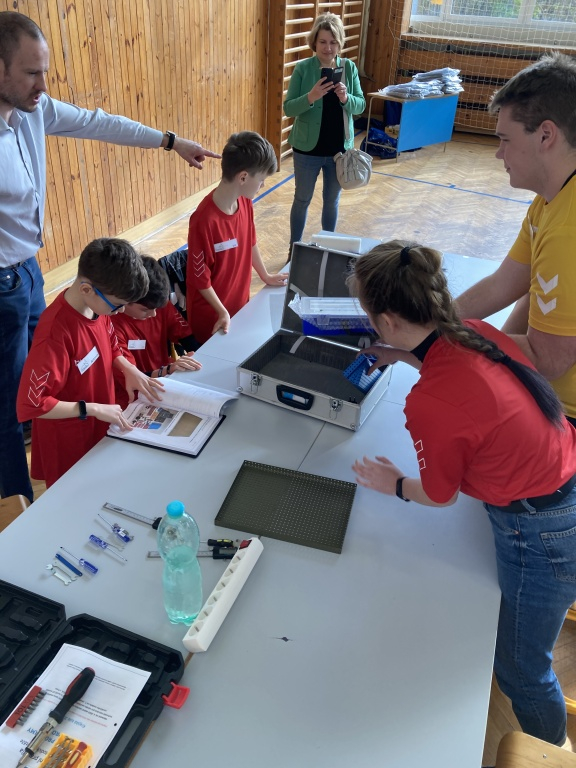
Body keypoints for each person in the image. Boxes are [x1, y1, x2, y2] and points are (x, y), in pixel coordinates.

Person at [349, 240, 576, 748]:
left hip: (543, 532)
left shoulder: (428, 403)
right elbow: (457, 375)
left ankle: (553, 752)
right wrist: (400, 354)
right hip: (561, 481)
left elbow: (439, 495)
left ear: (388, 321)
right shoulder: (473, 330)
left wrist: (394, 484)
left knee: (521, 669)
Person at [0, 11, 219, 502]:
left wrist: (170, 142)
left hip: (28, 270)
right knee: (11, 402)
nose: (43, 86)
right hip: (2, 283)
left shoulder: (34, 109)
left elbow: (98, 123)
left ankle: (48, 435)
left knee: (47, 371)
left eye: (45, 71)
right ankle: (18, 497)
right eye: (32, 73)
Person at [454, 52, 576, 427]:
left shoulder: (567, 230)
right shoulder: (549, 200)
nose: (498, 153)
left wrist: (447, 336)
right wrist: (435, 319)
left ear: (545, 135)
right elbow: (506, 284)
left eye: (506, 140)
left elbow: (550, 358)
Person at [16, 238, 163, 489]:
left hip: (99, 422)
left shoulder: (98, 306)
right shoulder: (54, 336)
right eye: (117, 306)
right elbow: (31, 405)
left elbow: (109, 340)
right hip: (70, 441)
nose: (119, 313)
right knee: (73, 496)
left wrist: (127, 367)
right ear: (86, 289)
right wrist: (91, 409)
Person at [186, 131, 288, 345]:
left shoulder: (245, 202)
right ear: (243, 177)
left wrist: (265, 275)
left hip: (239, 307)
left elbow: (250, 242)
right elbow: (200, 280)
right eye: (261, 180)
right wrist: (222, 311)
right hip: (213, 318)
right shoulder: (203, 221)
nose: (262, 185)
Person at [283, 12, 365, 254]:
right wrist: (311, 96)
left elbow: (360, 106)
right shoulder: (303, 68)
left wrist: (346, 98)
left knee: (332, 201)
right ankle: (294, 250)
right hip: (307, 150)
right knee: (302, 200)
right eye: (322, 42)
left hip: (339, 151)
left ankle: (329, 249)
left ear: (339, 43)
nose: (328, 48)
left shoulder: (349, 67)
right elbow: (288, 108)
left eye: (333, 42)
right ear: (314, 42)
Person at [111, 255, 202, 409]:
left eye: (156, 308)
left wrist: (198, 357)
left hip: (164, 377)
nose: (153, 314)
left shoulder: (157, 303)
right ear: (125, 300)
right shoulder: (111, 326)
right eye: (145, 310)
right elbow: (135, 379)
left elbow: (186, 337)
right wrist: (167, 370)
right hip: (133, 394)